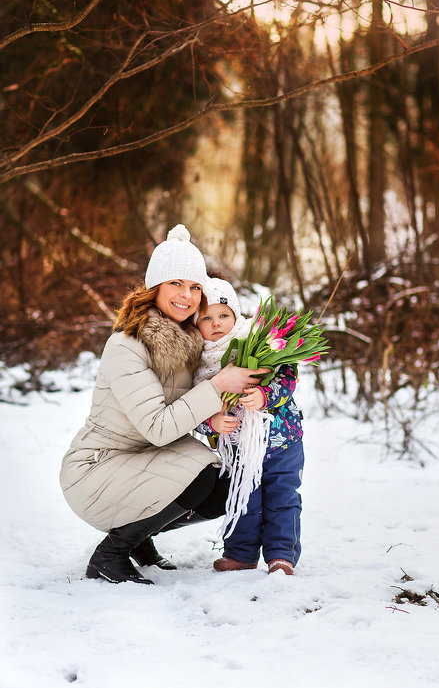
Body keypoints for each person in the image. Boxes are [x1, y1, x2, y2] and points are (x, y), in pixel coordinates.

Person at [59, 225, 268, 585]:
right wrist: (219, 385)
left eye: (195, 287)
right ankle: (110, 554)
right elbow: (158, 428)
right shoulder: (127, 345)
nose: (186, 295)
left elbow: (195, 404)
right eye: (175, 283)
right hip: (96, 468)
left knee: (226, 482)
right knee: (201, 473)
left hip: (142, 459)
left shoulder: (190, 340)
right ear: (154, 287)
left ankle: (139, 540)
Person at [193, 277, 305, 576]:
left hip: (282, 441)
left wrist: (265, 395)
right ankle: (241, 554)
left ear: (236, 315)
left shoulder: (258, 341)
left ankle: (281, 555)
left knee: (282, 498)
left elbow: (287, 378)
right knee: (243, 498)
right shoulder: (197, 362)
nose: (216, 323)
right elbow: (192, 406)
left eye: (223, 315)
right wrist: (212, 423)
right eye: (206, 318)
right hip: (238, 447)